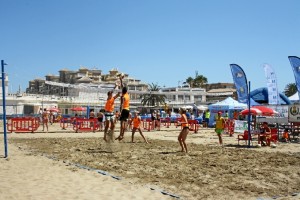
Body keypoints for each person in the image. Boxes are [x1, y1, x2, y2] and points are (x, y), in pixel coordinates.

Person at [116, 75, 130, 141]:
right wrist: (121, 79)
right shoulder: (127, 94)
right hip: (128, 110)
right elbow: (123, 87)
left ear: (122, 91)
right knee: (124, 123)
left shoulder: (123, 97)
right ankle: (122, 135)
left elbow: (121, 104)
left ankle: (121, 135)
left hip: (124, 110)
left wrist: (120, 111)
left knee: (122, 123)